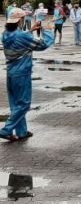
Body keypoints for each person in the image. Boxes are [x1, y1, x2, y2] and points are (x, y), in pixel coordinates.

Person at [0, 9, 55, 142]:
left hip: (11, 73)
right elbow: (43, 45)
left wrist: (30, 30)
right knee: (24, 104)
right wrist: (48, 30)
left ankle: (22, 132)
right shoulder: (22, 36)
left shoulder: (5, 34)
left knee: (15, 104)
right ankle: (6, 130)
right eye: (23, 19)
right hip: (22, 73)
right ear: (20, 21)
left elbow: (18, 38)